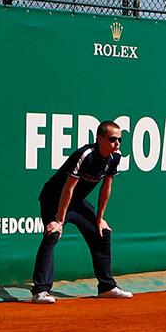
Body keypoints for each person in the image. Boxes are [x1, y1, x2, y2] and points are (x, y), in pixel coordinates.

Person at [31, 119, 131, 304]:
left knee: (102, 233)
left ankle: (107, 287)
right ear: (99, 139)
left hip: (76, 202)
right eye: (112, 139)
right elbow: (68, 188)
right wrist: (59, 220)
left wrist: (99, 218)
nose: (117, 143)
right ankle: (40, 291)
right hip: (54, 199)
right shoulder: (85, 155)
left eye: (119, 140)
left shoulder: (115, 157)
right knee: (52, 233)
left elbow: (106, 188)